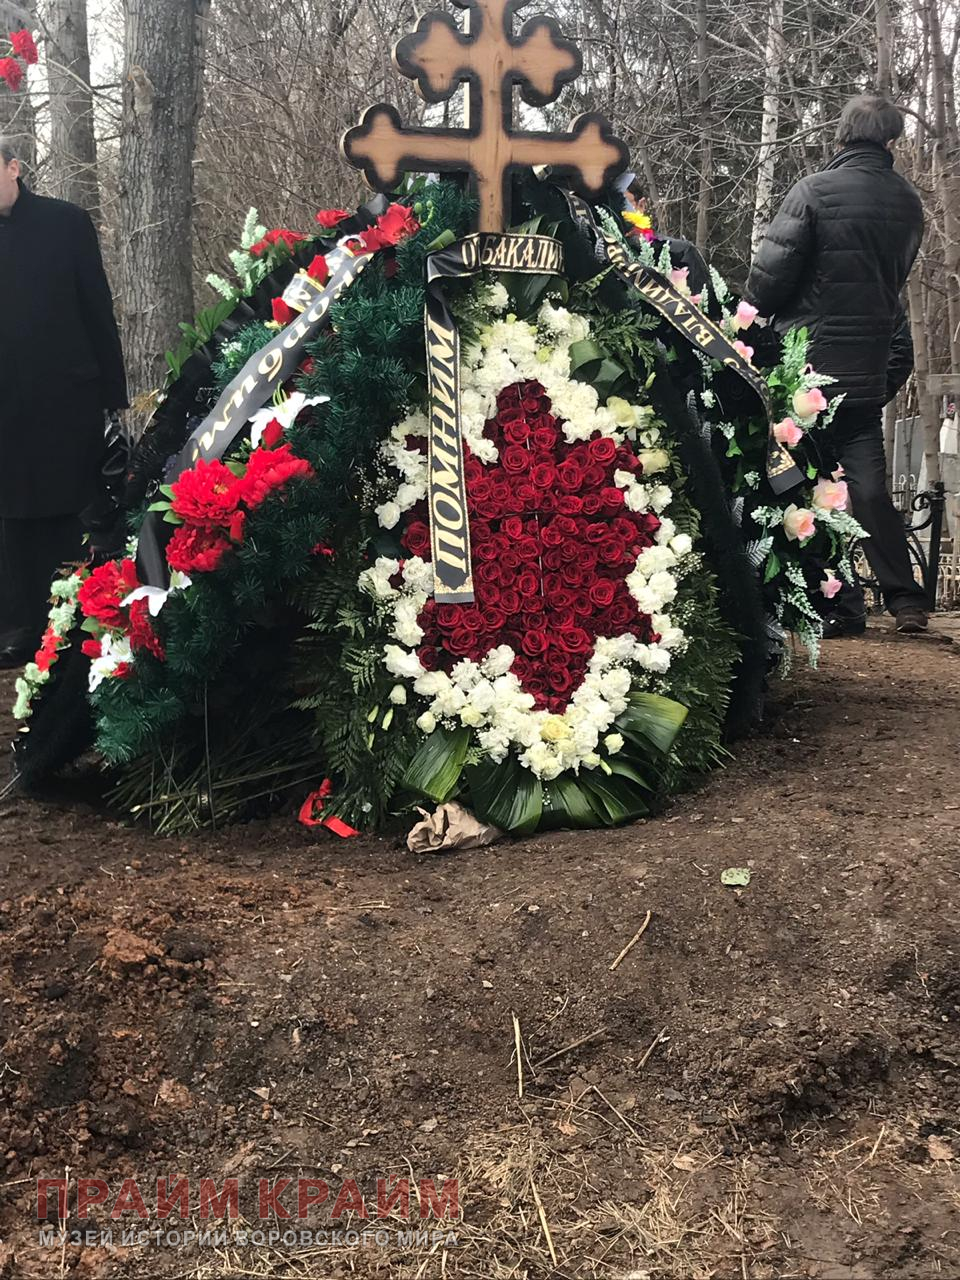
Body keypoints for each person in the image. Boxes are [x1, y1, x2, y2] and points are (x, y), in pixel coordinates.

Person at [746, 94, 928, 635]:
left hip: (806, 368)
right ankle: (906, 601)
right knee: (868, 486)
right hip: (867, 368)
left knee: (798, 487)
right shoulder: (908, 203)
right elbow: (889, 287)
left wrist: (751, 329)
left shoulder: (814, 192)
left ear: (843, 135)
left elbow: (770, 279)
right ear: (890, 139)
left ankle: (835, 603)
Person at [0, 137, 128, 668]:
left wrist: (113, 395)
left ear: (13, 167)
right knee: (9, 515)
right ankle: (16, 627)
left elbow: (96, 306)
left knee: (69, 506)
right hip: (4, 403)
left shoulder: (66, 222)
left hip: (65, 394)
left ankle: (74, 624)